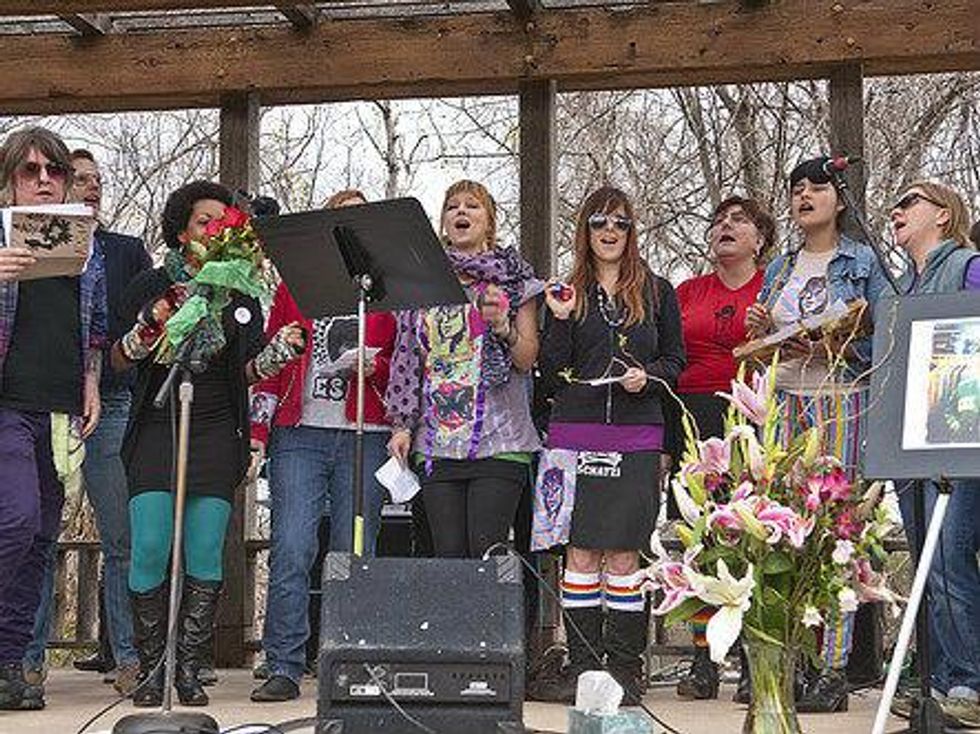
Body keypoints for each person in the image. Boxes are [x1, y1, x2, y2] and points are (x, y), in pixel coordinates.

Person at [112, 181, 304, 707]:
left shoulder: (242, 295)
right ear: (182, 231)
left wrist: (278, 355)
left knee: (203, 551)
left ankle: (189, 668)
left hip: (218, 430)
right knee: (150, 544)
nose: (214, 229)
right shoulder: (151, 284)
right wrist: (150, 327)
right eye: (204, 220)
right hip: (157, 424)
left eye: (223, 222)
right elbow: (120, 359)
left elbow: (246, 370)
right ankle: (152, 670)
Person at [745, 156, 889, 713]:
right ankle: (793, 661)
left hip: (839, 400)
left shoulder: (864, 260)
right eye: (796, 188)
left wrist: (839, 347)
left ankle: (832, 667)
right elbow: (770, 335)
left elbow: (885, 336)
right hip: (784, 402)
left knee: (836, 531)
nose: (805, 196)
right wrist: (763, 330)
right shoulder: (780, 264)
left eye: (816, 187)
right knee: (785, 528)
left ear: (840, 199)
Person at [530, 185, 685, 705]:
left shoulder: (659, 291)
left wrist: (651, 377)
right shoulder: (567, 291)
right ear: (586, 231)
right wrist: (557, 318)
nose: (610, 231)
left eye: (619, 222)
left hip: (638, 434)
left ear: (632, 230)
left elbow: (676, 362)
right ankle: (583, 666)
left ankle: (625, 667)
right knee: (580, 553)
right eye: (599, 222)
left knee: (623, 556)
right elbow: (550, 372)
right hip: (574, 433)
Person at [250, 188, 396, 703]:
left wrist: (375, 365)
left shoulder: (387, 284)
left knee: (356, 549)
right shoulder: (295, 284)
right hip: (300, 429)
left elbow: (405, 359)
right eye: (339, 219)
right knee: (292, 545)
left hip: (367, 430)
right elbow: (270, 361)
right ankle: (284, 663)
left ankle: (352, 657)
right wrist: (258, 431)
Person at [21, 149, 150, 695]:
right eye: (80, 179)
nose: (89, 187)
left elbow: (142, 322)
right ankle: (26, 660)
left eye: (97, 180)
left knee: (121, 537)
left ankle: (127, 658)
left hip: (111, 403)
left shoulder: (124, 251)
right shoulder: (18, 243)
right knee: (36, 536)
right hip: (39, 403)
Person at [0, 126, 107, 711]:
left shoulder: (84, 245)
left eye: (54, 171)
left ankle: (11, 664)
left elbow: (95, 323)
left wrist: (90, 379)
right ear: (9, 181)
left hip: (59, 406)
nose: (44, 180)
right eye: (30, 171)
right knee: (13, 521)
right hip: (6, 404)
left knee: (41, 537)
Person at [386, 179, 542, 559]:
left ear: (489, 221)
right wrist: (402, 425)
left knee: (485, 553)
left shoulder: (514, 280)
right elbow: (406, 357)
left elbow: (526, 359)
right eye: (452, 206)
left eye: (472, 205)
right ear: (443, 222)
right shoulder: (421, 283)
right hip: (437, 441)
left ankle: (499, 622)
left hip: (500, 440)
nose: (461, 211)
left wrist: (503, 325)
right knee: (448, 556)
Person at [668, 195, 775, 702]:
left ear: (761, 239)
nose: (724, 227)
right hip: (692, 417)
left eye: (739, 221)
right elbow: (667, 357)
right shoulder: (687, 292)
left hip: (753, 419)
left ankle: (758, 660)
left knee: (754, 539)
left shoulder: (774, 287)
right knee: (699, 539)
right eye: (717, 221)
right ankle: (702, 659)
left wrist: (771, 329)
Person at [886, 181, 980, 729]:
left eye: (911, 200)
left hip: (958, 437)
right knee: (925, 563)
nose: (897, 210)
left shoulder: (968, 266)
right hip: (909, 441)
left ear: (943, 215)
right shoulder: (901, 284)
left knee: (949, 557)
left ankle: (969, 680)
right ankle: (939, 680)